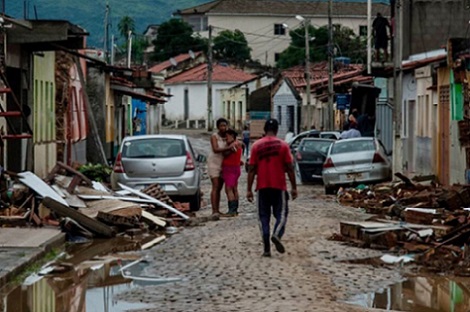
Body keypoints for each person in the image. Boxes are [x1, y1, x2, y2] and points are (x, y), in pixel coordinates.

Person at [247, 119, 298, 257]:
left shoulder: (256, 146)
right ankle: (276, 234)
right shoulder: (283, 146)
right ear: (276, 130)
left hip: (262, 186)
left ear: (264, 129)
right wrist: (294, 187)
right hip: (279, 186)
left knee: (263, 216)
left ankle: (266, 248)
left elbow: (251, 169)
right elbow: (290, 168)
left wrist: (249, 189)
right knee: (281, 214)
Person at [208, 118, 237, 216]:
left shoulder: (229, 137)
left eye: (225, 125)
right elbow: (215, 149)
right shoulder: (214, 136)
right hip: (214, 163)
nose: (223, 128)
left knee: (221, 187)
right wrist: (229, 147)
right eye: (221, 126)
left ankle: (219, 209)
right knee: (215, 186)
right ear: (218, 127)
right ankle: (214, 210)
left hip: (225, 165)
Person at [222, 129, 243, 216]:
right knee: (234, 188)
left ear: (231, 136)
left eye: (227, 136)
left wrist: (226, 148)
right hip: (236, 167)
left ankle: (232, 210)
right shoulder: (238, 143)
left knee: (228, 189)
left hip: (230, 168)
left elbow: (225, 154)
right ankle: (235, 208)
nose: (226, 138)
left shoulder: (232, 145)